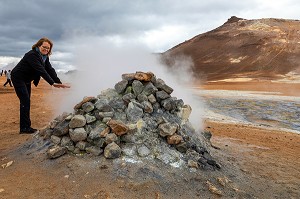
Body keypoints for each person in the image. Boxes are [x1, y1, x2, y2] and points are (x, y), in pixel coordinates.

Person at [11, 37, 70, 134]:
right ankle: (24, 128)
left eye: (48, 48)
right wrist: (52, 83)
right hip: (18, 78)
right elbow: (41, 70)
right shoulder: (32, 55)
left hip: (26, 80)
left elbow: (50, 69)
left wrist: (59, 82)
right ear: (38, 46)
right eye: (44, 47)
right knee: (25, 101)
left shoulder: (44, 57)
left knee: (26, 101)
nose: (46, 50)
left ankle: (25, 126)